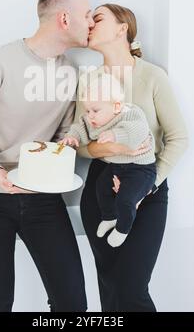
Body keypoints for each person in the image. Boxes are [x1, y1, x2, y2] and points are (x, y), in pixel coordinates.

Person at [0, 0, 94, 312]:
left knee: (72, 304)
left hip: (43, 199)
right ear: (63, 19)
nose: (90, 23)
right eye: (86, 15)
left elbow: (62, 134)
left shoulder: (70, 73)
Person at [75, 3, 188, 311]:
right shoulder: (88, 81)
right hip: (101, 190)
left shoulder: (152, 76)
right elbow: (81, 142)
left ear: (122, 28)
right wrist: (103, 149)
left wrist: (145, 189)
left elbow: (179, 138)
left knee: (131, 290)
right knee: (110, 286)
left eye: (97, 18)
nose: (89, 24)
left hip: (147, 186)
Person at [60, 73, 156, 247]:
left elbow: (138, 131)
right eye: (88, 110)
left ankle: (122, 229)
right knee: (101, 188)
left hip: (141, 169)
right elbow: (79, 126)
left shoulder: (130, 113)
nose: (90, 116)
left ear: (117, 106)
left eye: (95, 110)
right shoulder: (92, 120)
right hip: (118, 165)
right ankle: (109, 217)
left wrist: (114, 134)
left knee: (125, 200)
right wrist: (72, 136)